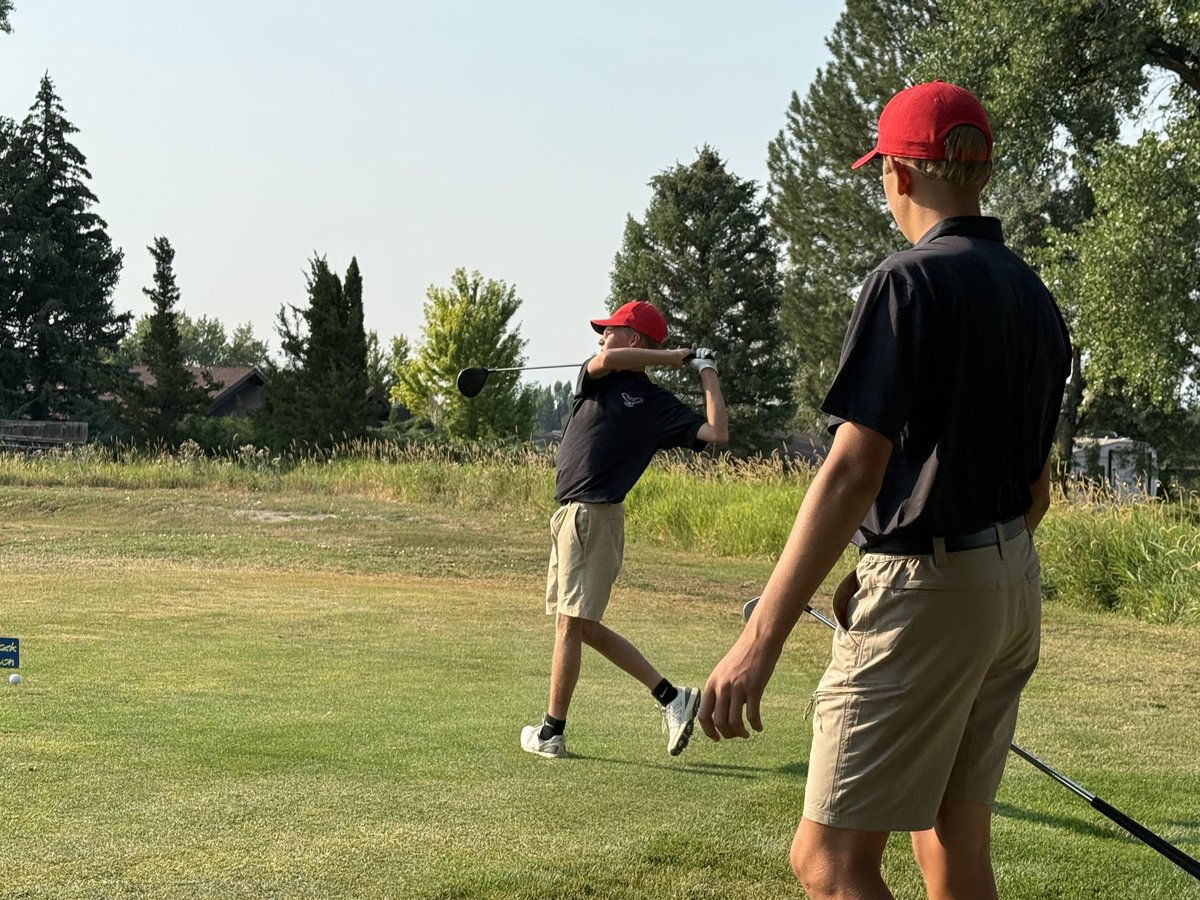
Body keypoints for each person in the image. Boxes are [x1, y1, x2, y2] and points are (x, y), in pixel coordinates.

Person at [698, 81, 1071, 899]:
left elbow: (851, 468)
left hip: (935, 589)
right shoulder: (1033, 296)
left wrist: (758, 641)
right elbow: (1036, 490)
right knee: (951, 848)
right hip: (1008, 584)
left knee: (829, 863)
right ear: (980, 168)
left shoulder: (907, 282)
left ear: (897, 172)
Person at [521, 299, 729, 760]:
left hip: (593, 517)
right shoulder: (598, 377)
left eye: (610, 329)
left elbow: (717, 433)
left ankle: (552, 732)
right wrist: (675, 357)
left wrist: (705, 370)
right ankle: (672, 698)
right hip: (573, 518)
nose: (601, 337)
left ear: (633, 337)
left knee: (571, 627)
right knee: (578, 626)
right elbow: (609, 359)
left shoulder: (655, 404)